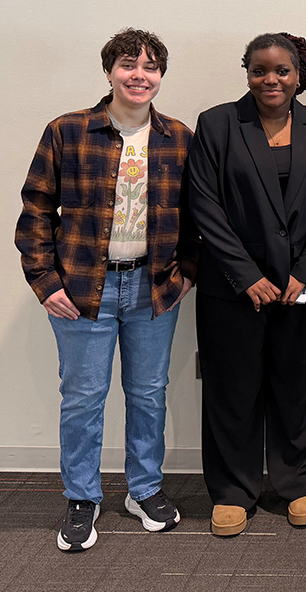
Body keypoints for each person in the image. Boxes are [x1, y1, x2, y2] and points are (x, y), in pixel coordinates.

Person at [15, 28, 197, 551]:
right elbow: (36, 209)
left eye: (151, 66)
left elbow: (198, 215)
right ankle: (82, 498)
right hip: (81, 289)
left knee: (149, 393)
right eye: (128, 64)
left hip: (153, 288)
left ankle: (145, 489)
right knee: (83, 397)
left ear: (161, 75)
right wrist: (44, 280)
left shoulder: (178, 137)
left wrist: (187, 271)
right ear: (109, 71)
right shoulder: (68, 131)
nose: (140, 75)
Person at [187, 33, 306, 536]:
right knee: (232, 387)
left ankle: (299, 480)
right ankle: (233, 489)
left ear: (299, 74)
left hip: (300, 283)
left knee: (299, 384)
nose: (270, 79)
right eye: (259, 70)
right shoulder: (216, 124)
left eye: (281, 70)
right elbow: (204, 204)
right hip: (233, 285)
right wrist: (246, 274)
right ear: (247, 73)